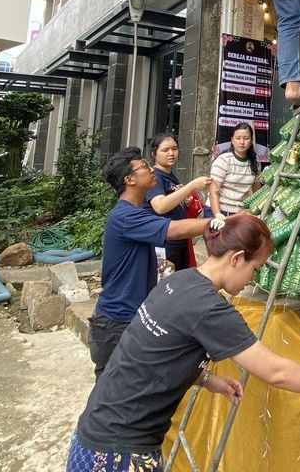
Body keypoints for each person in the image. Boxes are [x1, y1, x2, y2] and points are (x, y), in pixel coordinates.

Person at [67, 212, 300, 470]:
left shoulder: (179, 281)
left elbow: (155, 351)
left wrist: (206, 379)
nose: (253, 278)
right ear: (237, 259)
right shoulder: (210, 308)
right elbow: (275, 371)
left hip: (91, 434)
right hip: (118, 454)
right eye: (255, 269)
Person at [89, 148, 214, 377]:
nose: (150, 168)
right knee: (113, 397)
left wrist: (159, 267)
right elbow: (174, 230)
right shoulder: (125, 216)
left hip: (132, 317)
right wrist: (221, 222)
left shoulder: (136, 213)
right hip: (116, 323)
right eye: (144, 166)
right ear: (129, 180)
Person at [142, 133, 214, 272]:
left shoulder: (170, 176)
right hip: (165, 244)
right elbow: (160, 206)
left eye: (174, 149)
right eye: (165, 150)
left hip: (179, 242)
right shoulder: (155, 177)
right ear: (154, 153)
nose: (171, 153)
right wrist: (192, 185)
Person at [209, 123, 260, 217]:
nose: (242, 142)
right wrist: (218, 216)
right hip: (219, 210)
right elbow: (214, 191)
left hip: (240, 212)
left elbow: (256, 190)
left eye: (246, 138)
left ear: (251, 140)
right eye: (238, 138)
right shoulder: (224, 160)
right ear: (232, 140)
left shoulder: (255, 160)